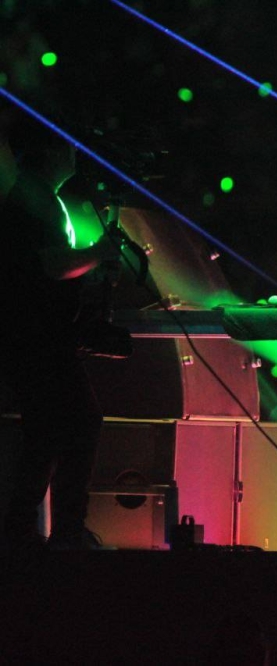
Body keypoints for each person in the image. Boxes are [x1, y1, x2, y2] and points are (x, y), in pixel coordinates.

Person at [0, 114, 121, 551]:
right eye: (67, 146)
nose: (75, 154)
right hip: (38, 339)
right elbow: (51, 264)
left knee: (46, 430)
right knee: (80, 421)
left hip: (31, 337)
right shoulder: (34, 201)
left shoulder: (33, 198)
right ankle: (65, 529)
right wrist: (100, 253)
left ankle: (23, 528)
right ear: (52, 152)